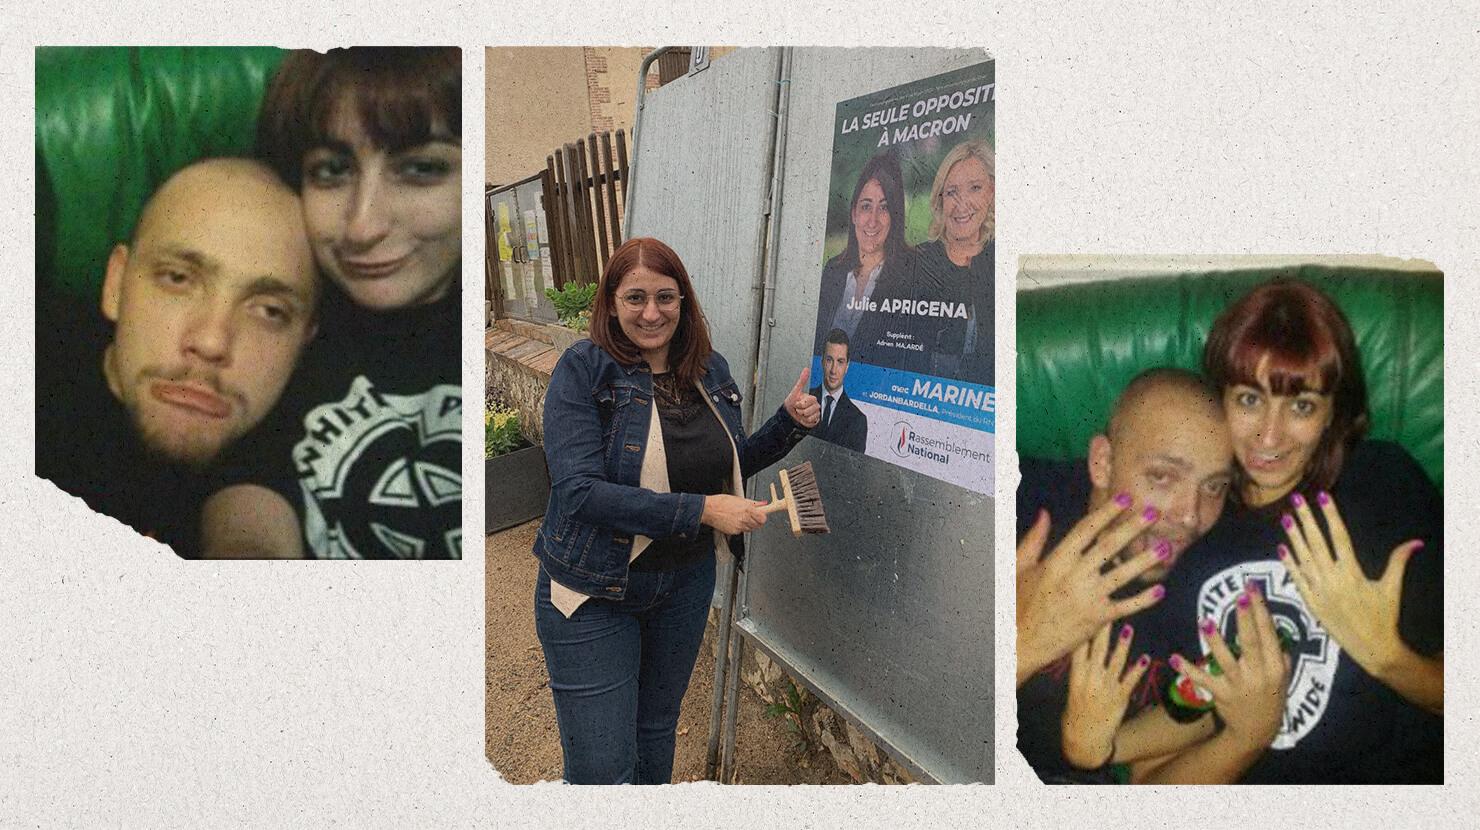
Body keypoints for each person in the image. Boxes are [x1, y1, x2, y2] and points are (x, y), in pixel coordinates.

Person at [1129, 279, 1443, 783]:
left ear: (1332, 413)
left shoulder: (1385, 484)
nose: (1269, 437)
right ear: (1220, 399)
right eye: (1250, 399)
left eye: (1301, 406)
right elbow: (1151, 777)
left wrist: (1388, 657)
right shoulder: (1193, 528)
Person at [534, 237, 821, 784]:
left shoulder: (708, 370)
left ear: (684, 301)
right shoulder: (584, 371)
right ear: (611, 303)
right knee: (602, 770)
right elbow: (579, 492)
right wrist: (703, 512)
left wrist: (788, 423)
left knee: (653, 737)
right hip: (594, 589)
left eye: (665, 297)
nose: (651, 312)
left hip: (683, 586)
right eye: (635, 298)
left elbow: (725, 467)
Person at [201, 47, 462, 560]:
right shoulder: (281, 330)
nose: (362, 227)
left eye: (422, 169)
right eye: (331, 171)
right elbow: (248, 502)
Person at [36, 158, 319, 557]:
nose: (212, 341)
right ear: (116, 283)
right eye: (179, 279)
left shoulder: (318, 449)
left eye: (270, 310)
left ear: (305, 341)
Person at [1015, 368, 1236, 782]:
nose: (1190, 516)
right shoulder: (1019, 504)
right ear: (1102, 462)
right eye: (1163, 476)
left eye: (1214, 487)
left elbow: (1155, 770)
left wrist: (1104, 747)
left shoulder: (1211, 587)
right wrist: (1023, 645)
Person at [812, 150, 924, 372]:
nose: (872, 220)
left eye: (884, 207)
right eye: (866, 206)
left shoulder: (912, 276)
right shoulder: (832, 271)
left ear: (895, 216)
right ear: (853, 213)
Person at [914, 139, 994, 385]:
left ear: (993, 192)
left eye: (975, 188)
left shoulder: (1003, 261)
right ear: (940, 200)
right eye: (951, 192)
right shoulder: (915, 262)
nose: (962, 203)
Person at [809, 328, 867, 452]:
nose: (833, 370)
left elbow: (851, 468)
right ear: (822, 361)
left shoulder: (858, 420)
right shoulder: (805, 399)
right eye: (829, 360)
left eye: (840, 362)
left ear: (847, 366)